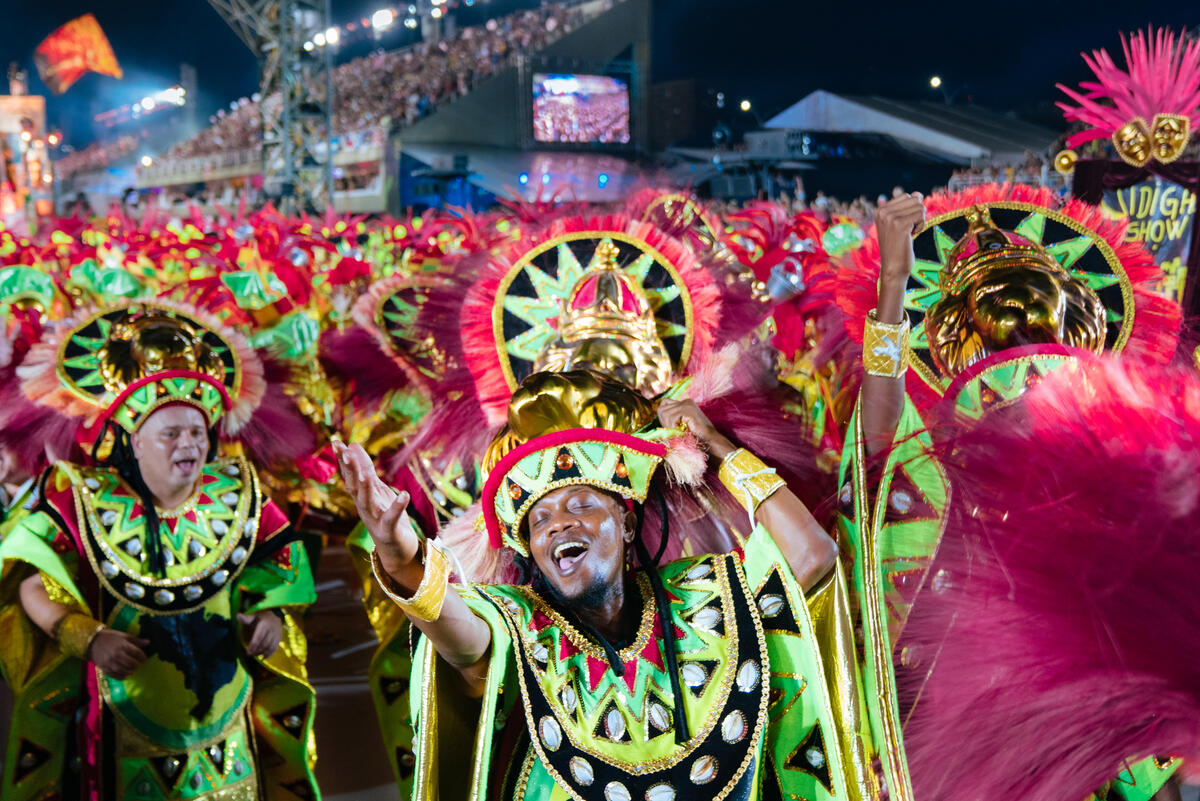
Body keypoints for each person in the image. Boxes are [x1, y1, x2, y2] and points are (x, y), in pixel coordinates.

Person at [336, 366, 871, 800]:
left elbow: (812, 556)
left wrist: (717, 447)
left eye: (582, 505)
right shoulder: (521, 621)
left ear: (628, 522)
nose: (560, 524)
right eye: (539, 520)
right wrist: (398, 550)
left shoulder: (703, 593)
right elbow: (461, 641)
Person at [838, 186, 1182, 801]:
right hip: (958, 740)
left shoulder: (1112, 484)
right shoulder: (937, 473)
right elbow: (877, 445)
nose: (1020, 391)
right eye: (996, 349)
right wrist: (892, 287)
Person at [0, 301, 320, 801]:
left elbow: (279, 562)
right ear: (133, 440)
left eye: (196, 432)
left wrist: (272, 616)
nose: (187, 444)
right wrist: (84, 636)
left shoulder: (237, 492)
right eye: (170, 434)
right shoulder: (81, 497)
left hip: (227, 734)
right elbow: (31, 578)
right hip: (118, 733)